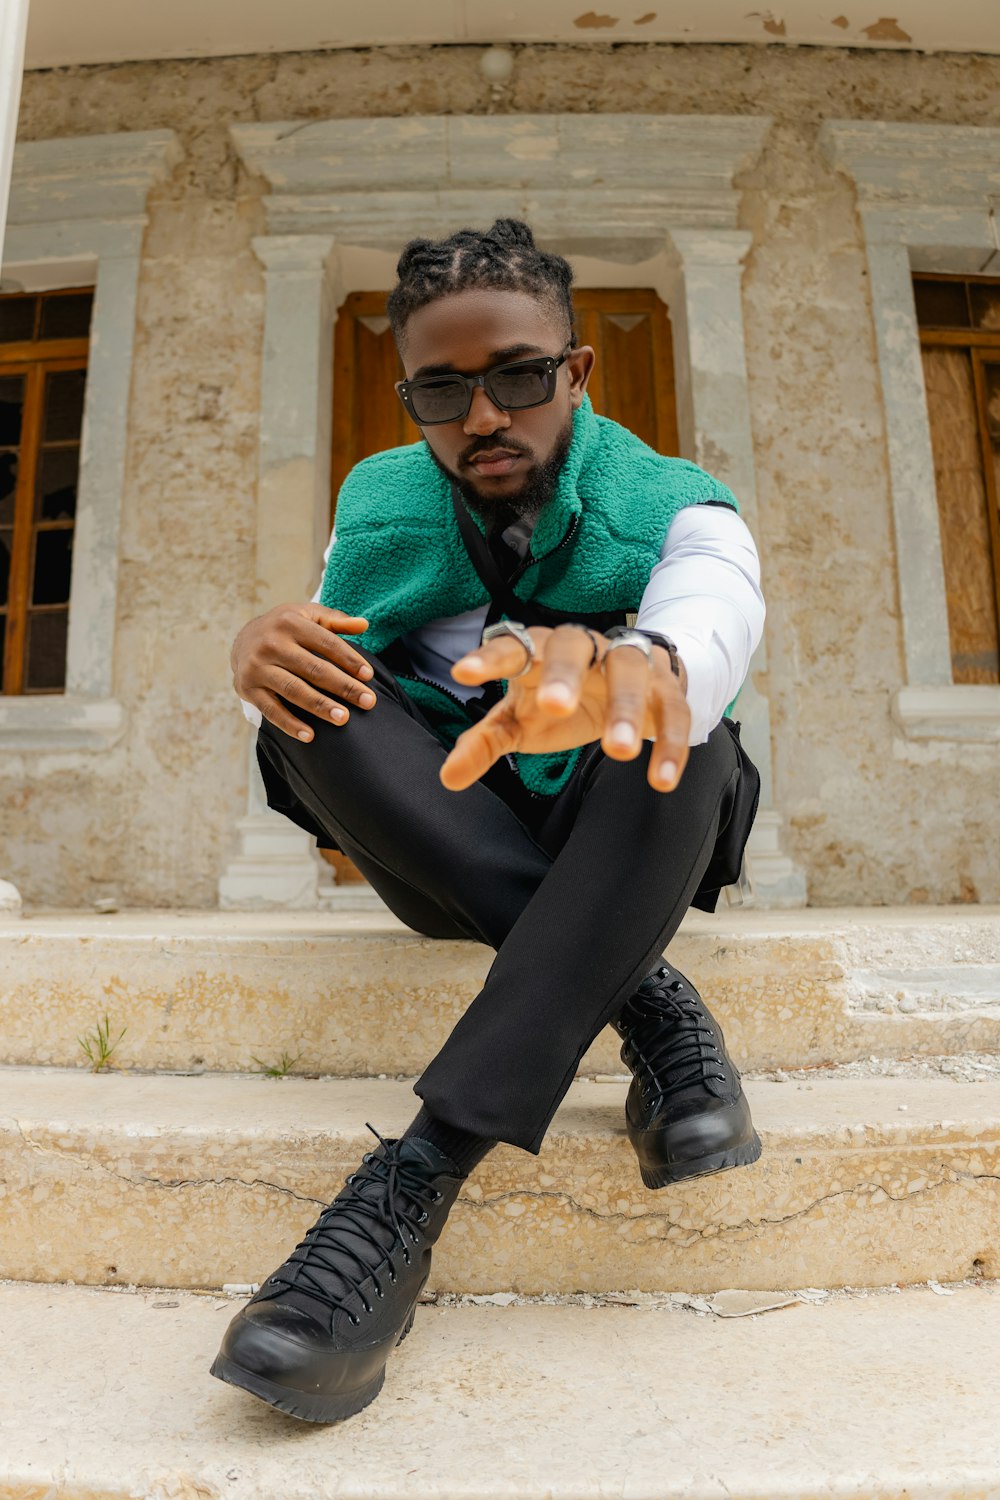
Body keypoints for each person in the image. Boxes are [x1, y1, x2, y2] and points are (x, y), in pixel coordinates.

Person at [211, 218, 765, 1424]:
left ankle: (414, 1180)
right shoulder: (380, 507)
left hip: (630, 830)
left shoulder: (678, 507)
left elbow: (709, 620)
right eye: (442, 389)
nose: (482, 417)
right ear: (409, 392)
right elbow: (327, 635)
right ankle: (650, 1001)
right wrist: (261, 645)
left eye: (519, 376)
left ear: (575, 372)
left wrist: (639, 668)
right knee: (311, 698)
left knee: (674, 724)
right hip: (447, 850)